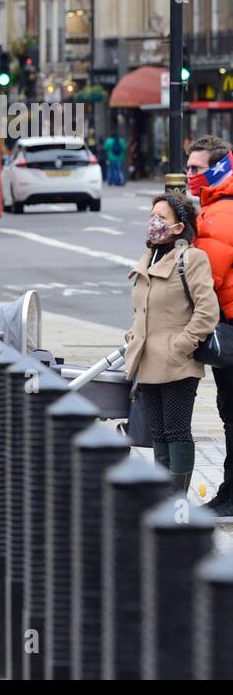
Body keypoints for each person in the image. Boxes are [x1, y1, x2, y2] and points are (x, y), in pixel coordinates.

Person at [125, 192, 219, 496]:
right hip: (147, 361)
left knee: (176, 432)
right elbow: (143, 310)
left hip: (178, 363)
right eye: (152, 215)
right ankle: (161, 500)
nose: (154, 222)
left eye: (161, 217)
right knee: (157, 434)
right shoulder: (148, 257)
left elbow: (207, 312)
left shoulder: (191, 259)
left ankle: (177, 504)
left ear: (179, 227)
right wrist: (132, 336)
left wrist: (181, 345)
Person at [185, 135, 233, 514]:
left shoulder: (217, 216)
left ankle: (230, 496)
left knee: (231, 413)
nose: (189, 175)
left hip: (229, 331)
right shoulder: (216, 207)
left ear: (218, 169)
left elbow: (203, 281)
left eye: (196, 168)